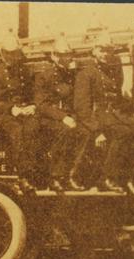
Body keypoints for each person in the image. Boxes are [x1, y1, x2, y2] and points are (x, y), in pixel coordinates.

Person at [72, 30, 134, 192]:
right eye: (102, 50)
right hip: (97, 116)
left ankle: (132, 176)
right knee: (122, 133)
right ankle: (106, 178)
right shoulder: (86, 74)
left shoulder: (113, 72)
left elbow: (118, 96)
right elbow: (82, 107)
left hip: (112, 114)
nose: (106, 54)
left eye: (109, 51)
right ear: (94, 51)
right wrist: (96, 130)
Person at [0, 33, 40, 192]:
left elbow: (35, 95)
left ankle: (35, 175)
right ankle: (22, 177)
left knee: (34, 128)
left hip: (25, 111)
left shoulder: (27, 72)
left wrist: (33, 106)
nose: (10, 57)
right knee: (17, 131)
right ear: (2, 54)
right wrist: (10, 109)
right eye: (7, 53)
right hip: (4, 116)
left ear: (19, 54)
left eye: (14, 53)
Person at [34, 34, 84, 192]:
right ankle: (54, 176)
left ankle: (71, 175)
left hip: (68, 117)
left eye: (68, 55)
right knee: (65, 131)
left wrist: (71, 117)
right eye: (61, 55)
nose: (66, 58)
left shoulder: (70, 75)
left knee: (86, 131)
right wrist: (63, 117)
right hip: (48, 118)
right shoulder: (44, 75)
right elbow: (41, 105)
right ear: (54, 56)